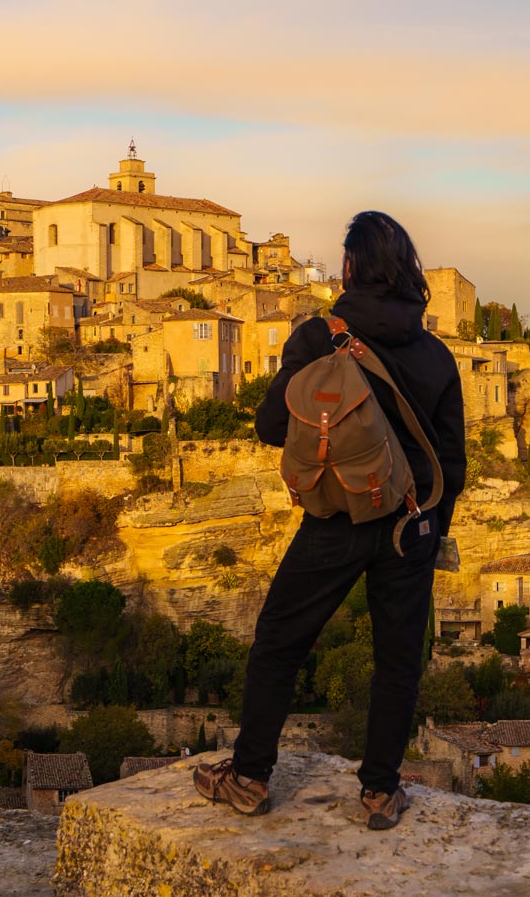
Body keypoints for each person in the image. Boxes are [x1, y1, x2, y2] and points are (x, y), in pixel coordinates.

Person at [194, 211, 466, 829]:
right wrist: (432, 529)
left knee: (279, 642)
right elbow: (451, 462)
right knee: (398, 660)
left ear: (348, 267)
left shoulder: (322, 337)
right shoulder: (436, 355)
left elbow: (271, 426)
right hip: (411, 525)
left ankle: (249, 777)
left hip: (335, 519)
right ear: (407, 269)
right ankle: (380, 791)